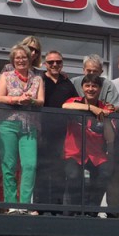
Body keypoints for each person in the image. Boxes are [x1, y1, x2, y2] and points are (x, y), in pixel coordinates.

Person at [0, 44, 45, 214]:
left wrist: (30, 101)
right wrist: (17, 100)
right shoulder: (6, 76)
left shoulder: (37, 79)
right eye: (17, 58)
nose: (21, 60)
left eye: (24, 57)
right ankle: (11, 205)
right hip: (7, 124)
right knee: (9, 165)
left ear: (30, 58)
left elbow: (41, 101)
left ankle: (24, 205)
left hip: (29, 126)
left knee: (29, 165)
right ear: (12, 60)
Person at [61, 75, 115, 212]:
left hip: (96, 154)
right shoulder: (75, 101)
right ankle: (74, 212)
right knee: (74, 177)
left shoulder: (104, 106)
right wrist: (91, 108)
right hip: (74, 152)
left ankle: (92, 210)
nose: (91, 89)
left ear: (100, 89)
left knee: (105, 172)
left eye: (94, 86)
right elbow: (65, 106)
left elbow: (110, 138)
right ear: (82, 88)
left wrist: (106, 118)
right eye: (87, 86)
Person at [36, 50, 78, 212]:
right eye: (51, 62)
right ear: (45, 64)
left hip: (63, 135)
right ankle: (41, 206)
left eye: (58, 62)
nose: (55, 65)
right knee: (42, 170)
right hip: (42, 132)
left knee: (59, 171)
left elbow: (75, 103)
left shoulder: (67, 83)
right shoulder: (40, 80)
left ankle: (56, 206)